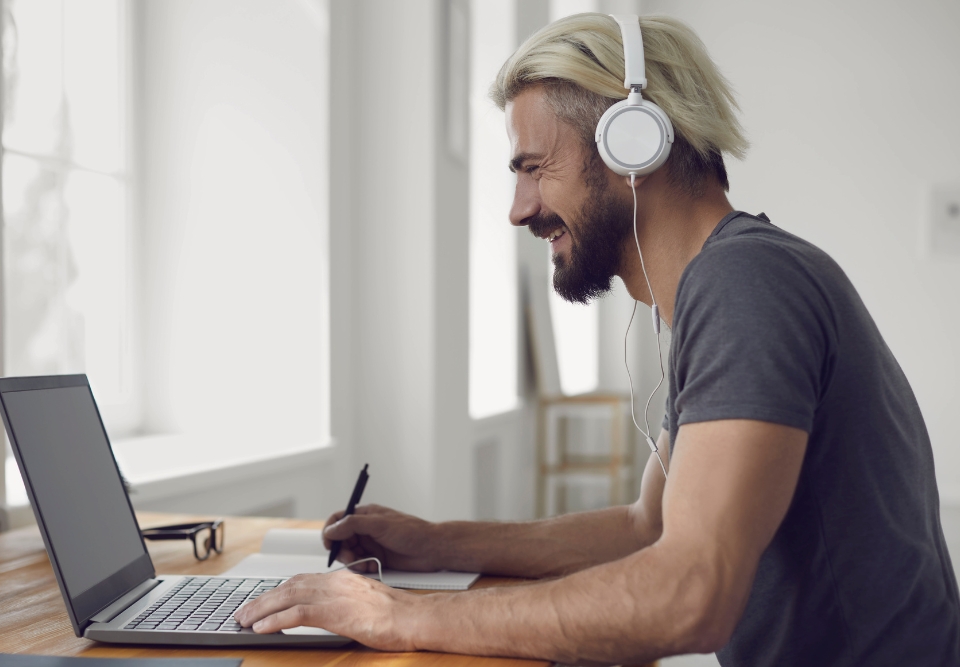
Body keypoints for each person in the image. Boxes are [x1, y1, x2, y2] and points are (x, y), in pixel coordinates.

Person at [235, 13, 960, 665]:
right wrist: (435, 541)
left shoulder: (746, 285)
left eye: (532, 168)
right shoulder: (731, 280)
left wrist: (407, 616)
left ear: (632, 144)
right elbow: (650, 528)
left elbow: (690, 590)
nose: (518, 210)